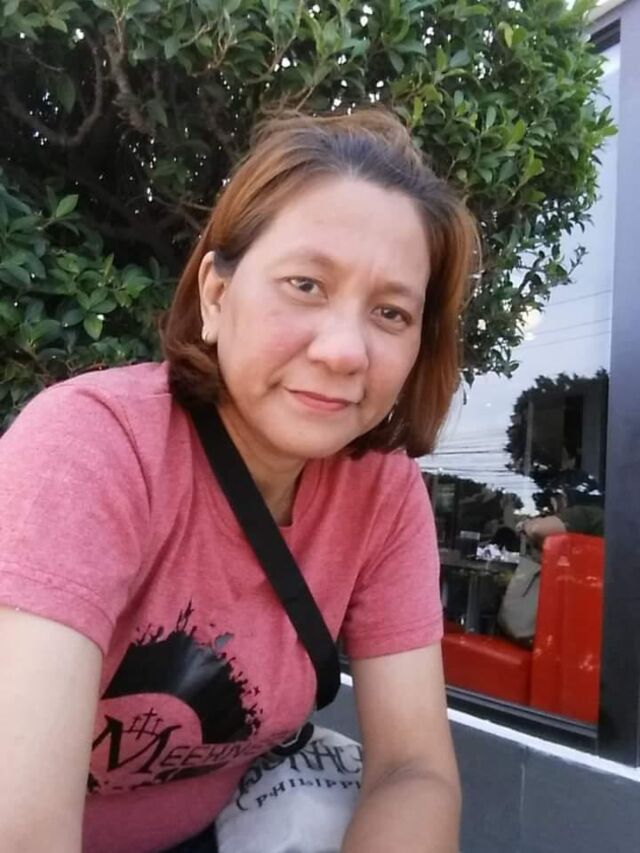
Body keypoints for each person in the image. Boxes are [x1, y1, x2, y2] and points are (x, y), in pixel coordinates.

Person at [0, 108, 477, 852]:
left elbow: (413, 768)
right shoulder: (94, 447)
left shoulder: (382, 493)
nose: (345, 350)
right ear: (216, 296)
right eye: (306, 284)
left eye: (390, 312)